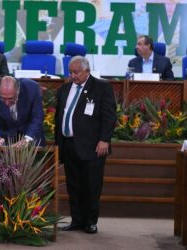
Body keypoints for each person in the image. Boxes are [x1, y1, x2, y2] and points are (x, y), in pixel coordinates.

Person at [55, 56, 116, 234]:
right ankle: (77, 219)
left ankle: (90, 221)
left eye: (76, 72)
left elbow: (109, 116)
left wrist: (104, 139)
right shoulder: (65, 88)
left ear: (87, 71)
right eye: (70, 72)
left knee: (91, 185)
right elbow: (60, 116)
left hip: (93, 146)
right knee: (73, 185)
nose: (72, 75)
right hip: (68, 144)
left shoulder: (101, 87)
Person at [0, 76, 45, 147]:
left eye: (10, 98)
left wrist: (27, 139)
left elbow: (37, 117)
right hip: (7, 141)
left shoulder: (32, 88)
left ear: (18, 90)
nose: (6, 103)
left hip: (32, 139)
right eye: (3, 98)